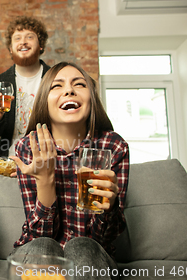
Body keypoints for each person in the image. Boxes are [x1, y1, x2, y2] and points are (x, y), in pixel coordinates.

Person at [9, 62, 130, 280]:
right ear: (44, 101)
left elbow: (103, 239)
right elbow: (38, 236)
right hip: (39, 247)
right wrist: (45, 180)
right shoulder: (28, 147)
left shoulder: (113, 147)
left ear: (91, 99)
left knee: (83, 246)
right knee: (43, 248)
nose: (69, 90)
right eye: (57, 86)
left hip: (92, 252)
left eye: (79, 84)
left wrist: (109, 206)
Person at [0, 16, 51, 157]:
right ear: (10, 48)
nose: (23, 42)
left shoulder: (55, 78)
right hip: (10, 162)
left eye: (30, 37)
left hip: (47, 161)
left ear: (41, 45)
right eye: (17, 38)